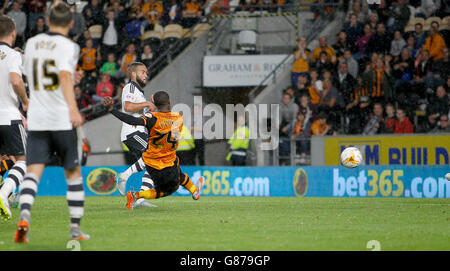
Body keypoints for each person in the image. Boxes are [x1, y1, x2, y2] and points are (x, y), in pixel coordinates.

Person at [15, 2, 88, 243]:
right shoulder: (70, 46)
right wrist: (74, 108)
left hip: (37, 118)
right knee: (73, 173)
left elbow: (31, 74)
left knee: (33, 171)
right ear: (70, 23)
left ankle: (24, 213)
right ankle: (75, 228)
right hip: (60, 118)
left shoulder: (32, 43)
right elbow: (64, 76)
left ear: (47, 20)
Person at [102, 92, 204, 209]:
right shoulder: (178, 117)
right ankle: (136, 195)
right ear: (169, 102)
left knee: (179, 175)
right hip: (168, 161)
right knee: (168, 189)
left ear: (154, 104)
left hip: (151, 164)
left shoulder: (152, 118)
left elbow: (131, 120)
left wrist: (112, 110)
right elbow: (174, 137)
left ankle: (195, 192)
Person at [114, 62, 157, 209]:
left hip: (138, 132)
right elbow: (128, 107)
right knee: (155, 156)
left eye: (146, 72)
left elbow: (141, 115)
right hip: (132, 133)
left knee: (154, 163)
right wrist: (146, 104)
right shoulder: (130, 87)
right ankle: (124, 176)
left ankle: (140, 197)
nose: (146, 75)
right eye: (143, 72)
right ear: (134, 74)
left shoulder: (139, 92)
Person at [0, 15, 29, 221]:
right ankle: (4, 194)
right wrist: (25, 100)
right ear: (13, 33)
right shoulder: (12, 55)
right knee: (23, 161)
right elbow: (15, 80)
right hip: (8, 116)